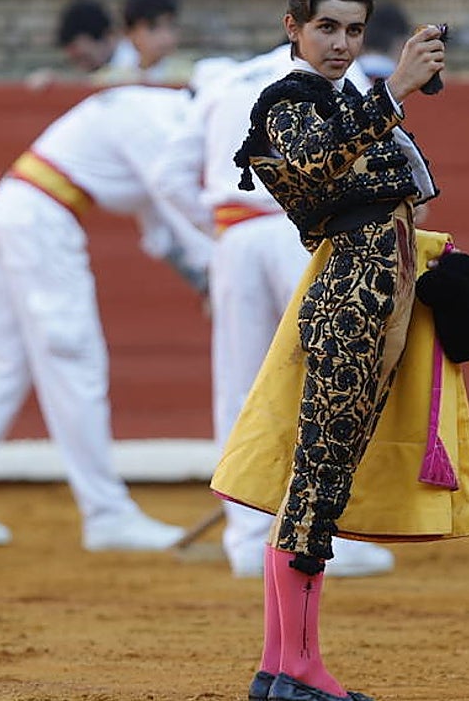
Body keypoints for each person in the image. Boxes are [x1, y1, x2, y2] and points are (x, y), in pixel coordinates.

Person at [212, 0, 469, 701]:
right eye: (326, 27)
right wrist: (392, 91)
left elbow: (404, 203)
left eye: (354, 30)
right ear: (293, 27)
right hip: (349, 308)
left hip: (379, 302)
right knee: (318, 484)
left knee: (314, 483)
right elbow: (311, 169)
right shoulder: (285, 103)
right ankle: (298, 667)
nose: (340, 42)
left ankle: (280, 666)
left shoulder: (340, 104)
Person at [0, 85, 210, 551]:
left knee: (2, 365)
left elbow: (162, 232)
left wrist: (207, 280)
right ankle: (105, 512)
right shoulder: (161, 119)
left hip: (19, 211)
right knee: (75, 364)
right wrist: (220, 281)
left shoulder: (150, 112)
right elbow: (176, 212)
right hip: (40, 222)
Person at [151, 44, 397, 579]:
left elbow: (168, 177)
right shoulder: (332, 69)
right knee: (334, 379)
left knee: (240, 387)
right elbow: (364, 147)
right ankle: (331, 540)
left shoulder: (223, 82)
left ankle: (245, 540)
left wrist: (220, 228)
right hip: (304, 234)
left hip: (234, 239)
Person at [93, 0, 191, 85]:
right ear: (129, 32)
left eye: (171, 27)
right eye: (153, 28)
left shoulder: (189, 76)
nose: (165, 36)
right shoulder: (107, 81)